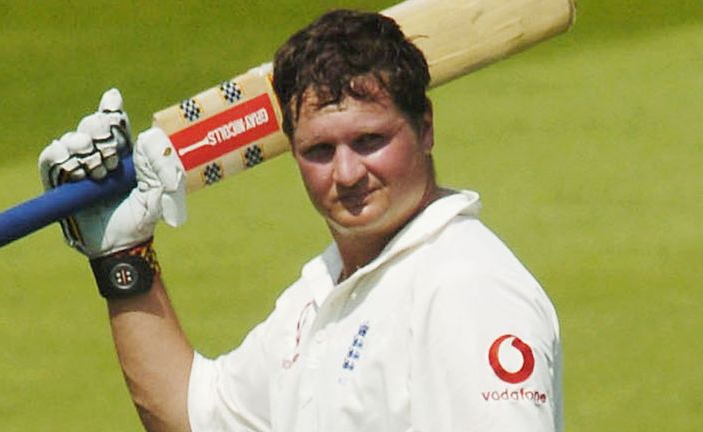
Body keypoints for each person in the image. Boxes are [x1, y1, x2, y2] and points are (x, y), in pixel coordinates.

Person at [38, 9, 562, 432]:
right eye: (319, 150)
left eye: (370, 140)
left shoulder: (464, 289)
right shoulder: (315, 304)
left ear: (425, 128)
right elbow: (193, 417)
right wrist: (121, 257)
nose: (348, 172)